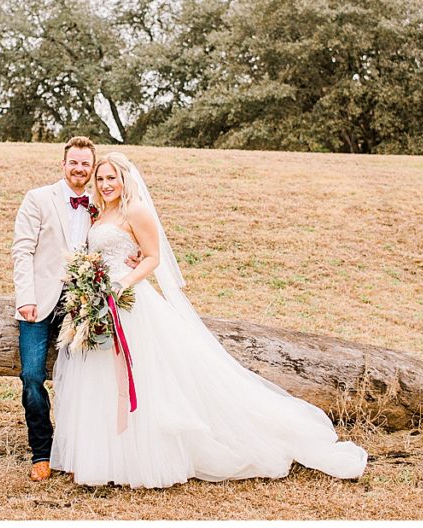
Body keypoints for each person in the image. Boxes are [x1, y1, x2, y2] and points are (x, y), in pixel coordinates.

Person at [49, 152, 368, 488]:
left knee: (143, 376)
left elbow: (154, 257)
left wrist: (121, 284)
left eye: (111, 177)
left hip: (128, 302)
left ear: (125, 178)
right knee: (103, 378)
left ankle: (145, 455)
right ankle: (105, 456)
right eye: (101, 179)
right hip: (100, 303)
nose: (105, 184)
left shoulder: (136, 211)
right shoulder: (102, 213)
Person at [10, 136, 98, 482]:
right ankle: (41, 452)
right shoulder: (38, 198)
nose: (79, 169)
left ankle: (76, 450)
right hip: (40, 301)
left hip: (82, 305)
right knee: (32, 377)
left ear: (92, 169)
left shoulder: (99, 202)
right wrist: (25, 297)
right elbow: (22, 250)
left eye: (85, 164)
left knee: (81, 381)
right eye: (74, 162)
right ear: (63, 165)